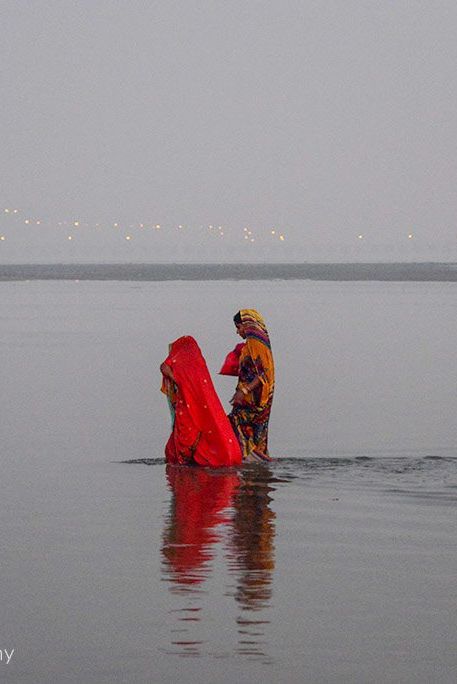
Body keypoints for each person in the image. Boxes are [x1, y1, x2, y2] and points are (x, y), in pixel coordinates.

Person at [160, 335, 242, 467]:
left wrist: (175, 378)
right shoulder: (197, 362)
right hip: (199, 406)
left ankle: (186, 463)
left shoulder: (180, 361)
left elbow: (164, 367)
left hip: (187, 407)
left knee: (186, 439)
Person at [228, 309, 274, 461]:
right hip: (253, 399)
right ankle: (259, 476)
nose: (237, 331)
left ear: (247, 325)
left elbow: (263, 374)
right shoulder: (251, 344)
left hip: (254, 400)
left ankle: (257, 465)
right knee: (255, 439)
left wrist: (243, 391)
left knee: (234, 423)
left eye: (238, 327)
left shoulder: (256, 344)